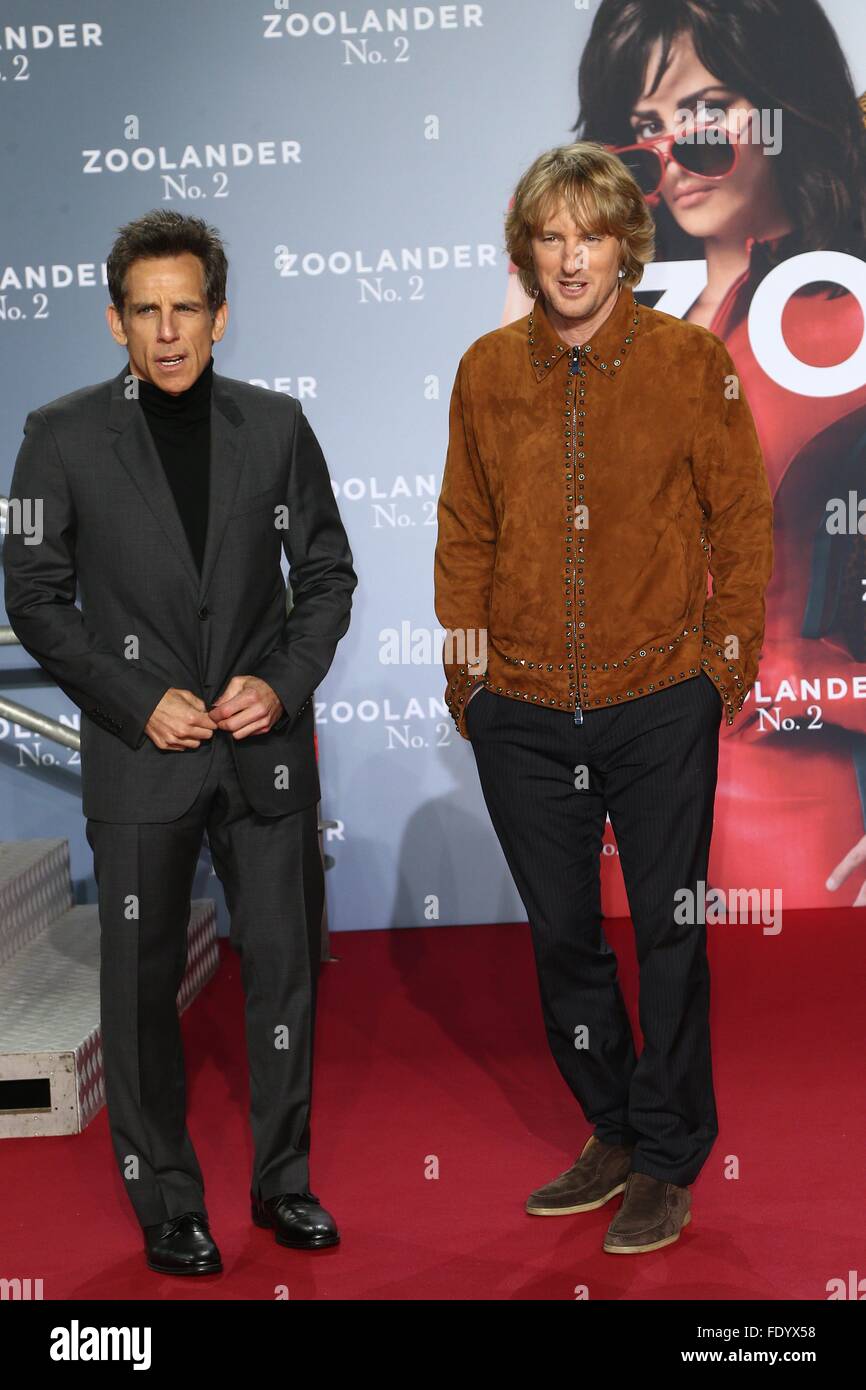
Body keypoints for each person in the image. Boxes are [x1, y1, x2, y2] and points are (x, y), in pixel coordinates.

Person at [3, 209, 357, 1275]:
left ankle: (283, 1183)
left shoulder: (278, 427)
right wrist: (132, 697)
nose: (167, 332)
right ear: (115, 321)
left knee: (284, 976)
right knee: (139, 986)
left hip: (263, 754)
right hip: (139, 758)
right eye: (145, 312)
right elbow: (33, 593)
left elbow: (327, 578)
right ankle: (166, 1202)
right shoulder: (55, 436)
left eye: (186, 309)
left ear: (220, 316)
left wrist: (281, 683)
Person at [434, 143, 773, 1253]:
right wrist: (468, 678)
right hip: (520, 707)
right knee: (563, 935)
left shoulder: (687, 362)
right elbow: (463, 530)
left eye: (589, 236)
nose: (570, 258)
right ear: (524, 250)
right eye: (550, 236)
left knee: (670, 935)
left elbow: (739, 513)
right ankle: (614, 1126)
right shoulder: (485, 370)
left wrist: (722, 662)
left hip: (659, 692)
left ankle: (669, 1156)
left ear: (625, 243)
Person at [505, 0, 866, 912]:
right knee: (649, 1035)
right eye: (644, 133)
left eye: (707, 118)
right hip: (632, 787)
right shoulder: (619, 329)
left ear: (787, 103)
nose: (674, 159)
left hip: (794, 790)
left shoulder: (845, 319)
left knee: (789, 1044)